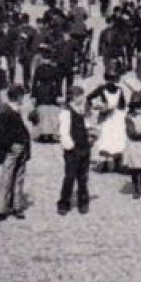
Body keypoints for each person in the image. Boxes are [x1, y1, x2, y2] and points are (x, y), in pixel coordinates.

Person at [0, 84, 31, 222]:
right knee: (7, 179)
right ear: (18, 97)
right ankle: (1, 209)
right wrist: (10, 145)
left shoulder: (15, 110)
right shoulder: (6, 113)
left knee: (19, 178)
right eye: (22, 97)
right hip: (11, 151)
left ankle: (16, 206)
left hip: (22, 149)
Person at [56, 86, 93, 215]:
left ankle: (83, 201)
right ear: (75, 97)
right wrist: (71, 147)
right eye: (81, 96)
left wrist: (90, 138)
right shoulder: (66, 112)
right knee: (70, 176)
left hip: (85, 147)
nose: (83, 98)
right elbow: (63, 133)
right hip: (73, 150)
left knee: (83, 177)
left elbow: (88, 126)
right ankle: (64, 202)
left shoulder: (83, 110)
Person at [87, 72, 129, 172]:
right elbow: (89, 98)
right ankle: (105, 163)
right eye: (110, 79)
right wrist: (98, 106)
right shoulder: (102, 89)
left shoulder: (119, 90)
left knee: (117, 138)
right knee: (106, 138)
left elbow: (123, 105)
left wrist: (114, 107)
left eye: (113, 79)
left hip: (117, 117)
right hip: (107, 117)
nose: (112, 82)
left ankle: (116, 162)